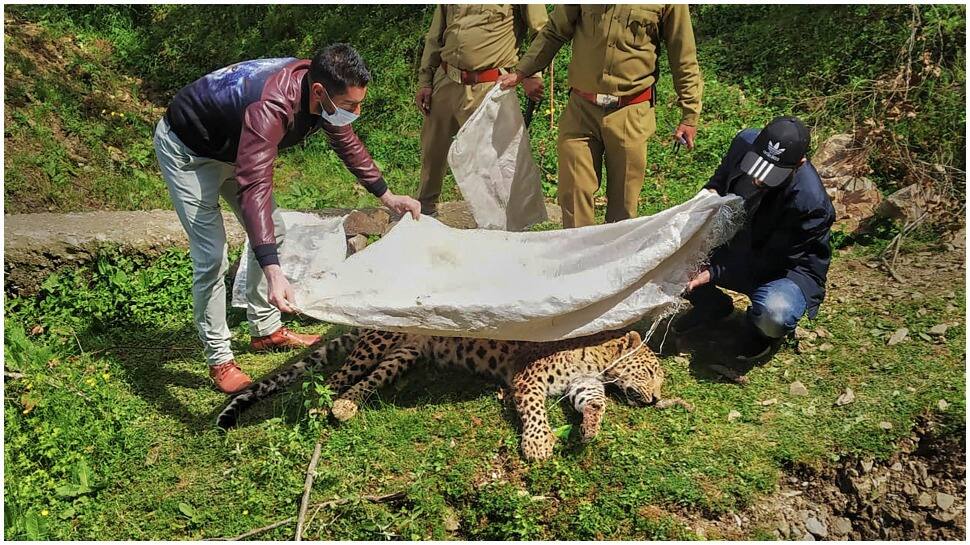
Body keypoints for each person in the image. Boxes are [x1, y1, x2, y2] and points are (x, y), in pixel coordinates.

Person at [154, 44, 421, 394]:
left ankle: (265, 331)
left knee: (274, 229)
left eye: (359, 104)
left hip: (236, 146)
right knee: (212, 257)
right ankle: (219, 357)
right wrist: (274, 271)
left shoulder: (320, 91)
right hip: (190, 152)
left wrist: (386, 196)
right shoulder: (272, 107)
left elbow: (345, 141)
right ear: (320, 92)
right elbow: (255, 187)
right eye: (350, 106)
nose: (356, 112)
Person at [498, 5, 702, 228]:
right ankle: (578, 259)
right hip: (581, 109)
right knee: (573, 193)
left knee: (623, 205)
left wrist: (689, 114)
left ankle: (615, 259)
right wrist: (523, 71)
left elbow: (682, 55)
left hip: (630, 111)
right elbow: (555, 30)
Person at [675, 116, 836, 360]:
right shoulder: (744, 142)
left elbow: (770, 259)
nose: (758, 179)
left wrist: (713, 271)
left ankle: (760, 333)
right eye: (757, 166)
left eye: (772, 174)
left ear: (799, 164)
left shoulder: (811, 205)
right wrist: (706, 199)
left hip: (783, 268)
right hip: (736, 242)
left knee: (775, 313)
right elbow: (719, 182)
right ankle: (713, 306)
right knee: (671, 257)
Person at [415, 4, 548, 216]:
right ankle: (424, 211)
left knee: (489, 162)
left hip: (490, 85)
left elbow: (541, 32)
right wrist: (425, 81)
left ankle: (495, 224)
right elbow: (435, 36)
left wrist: (532, 74)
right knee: (432, 151)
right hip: (446, 79)